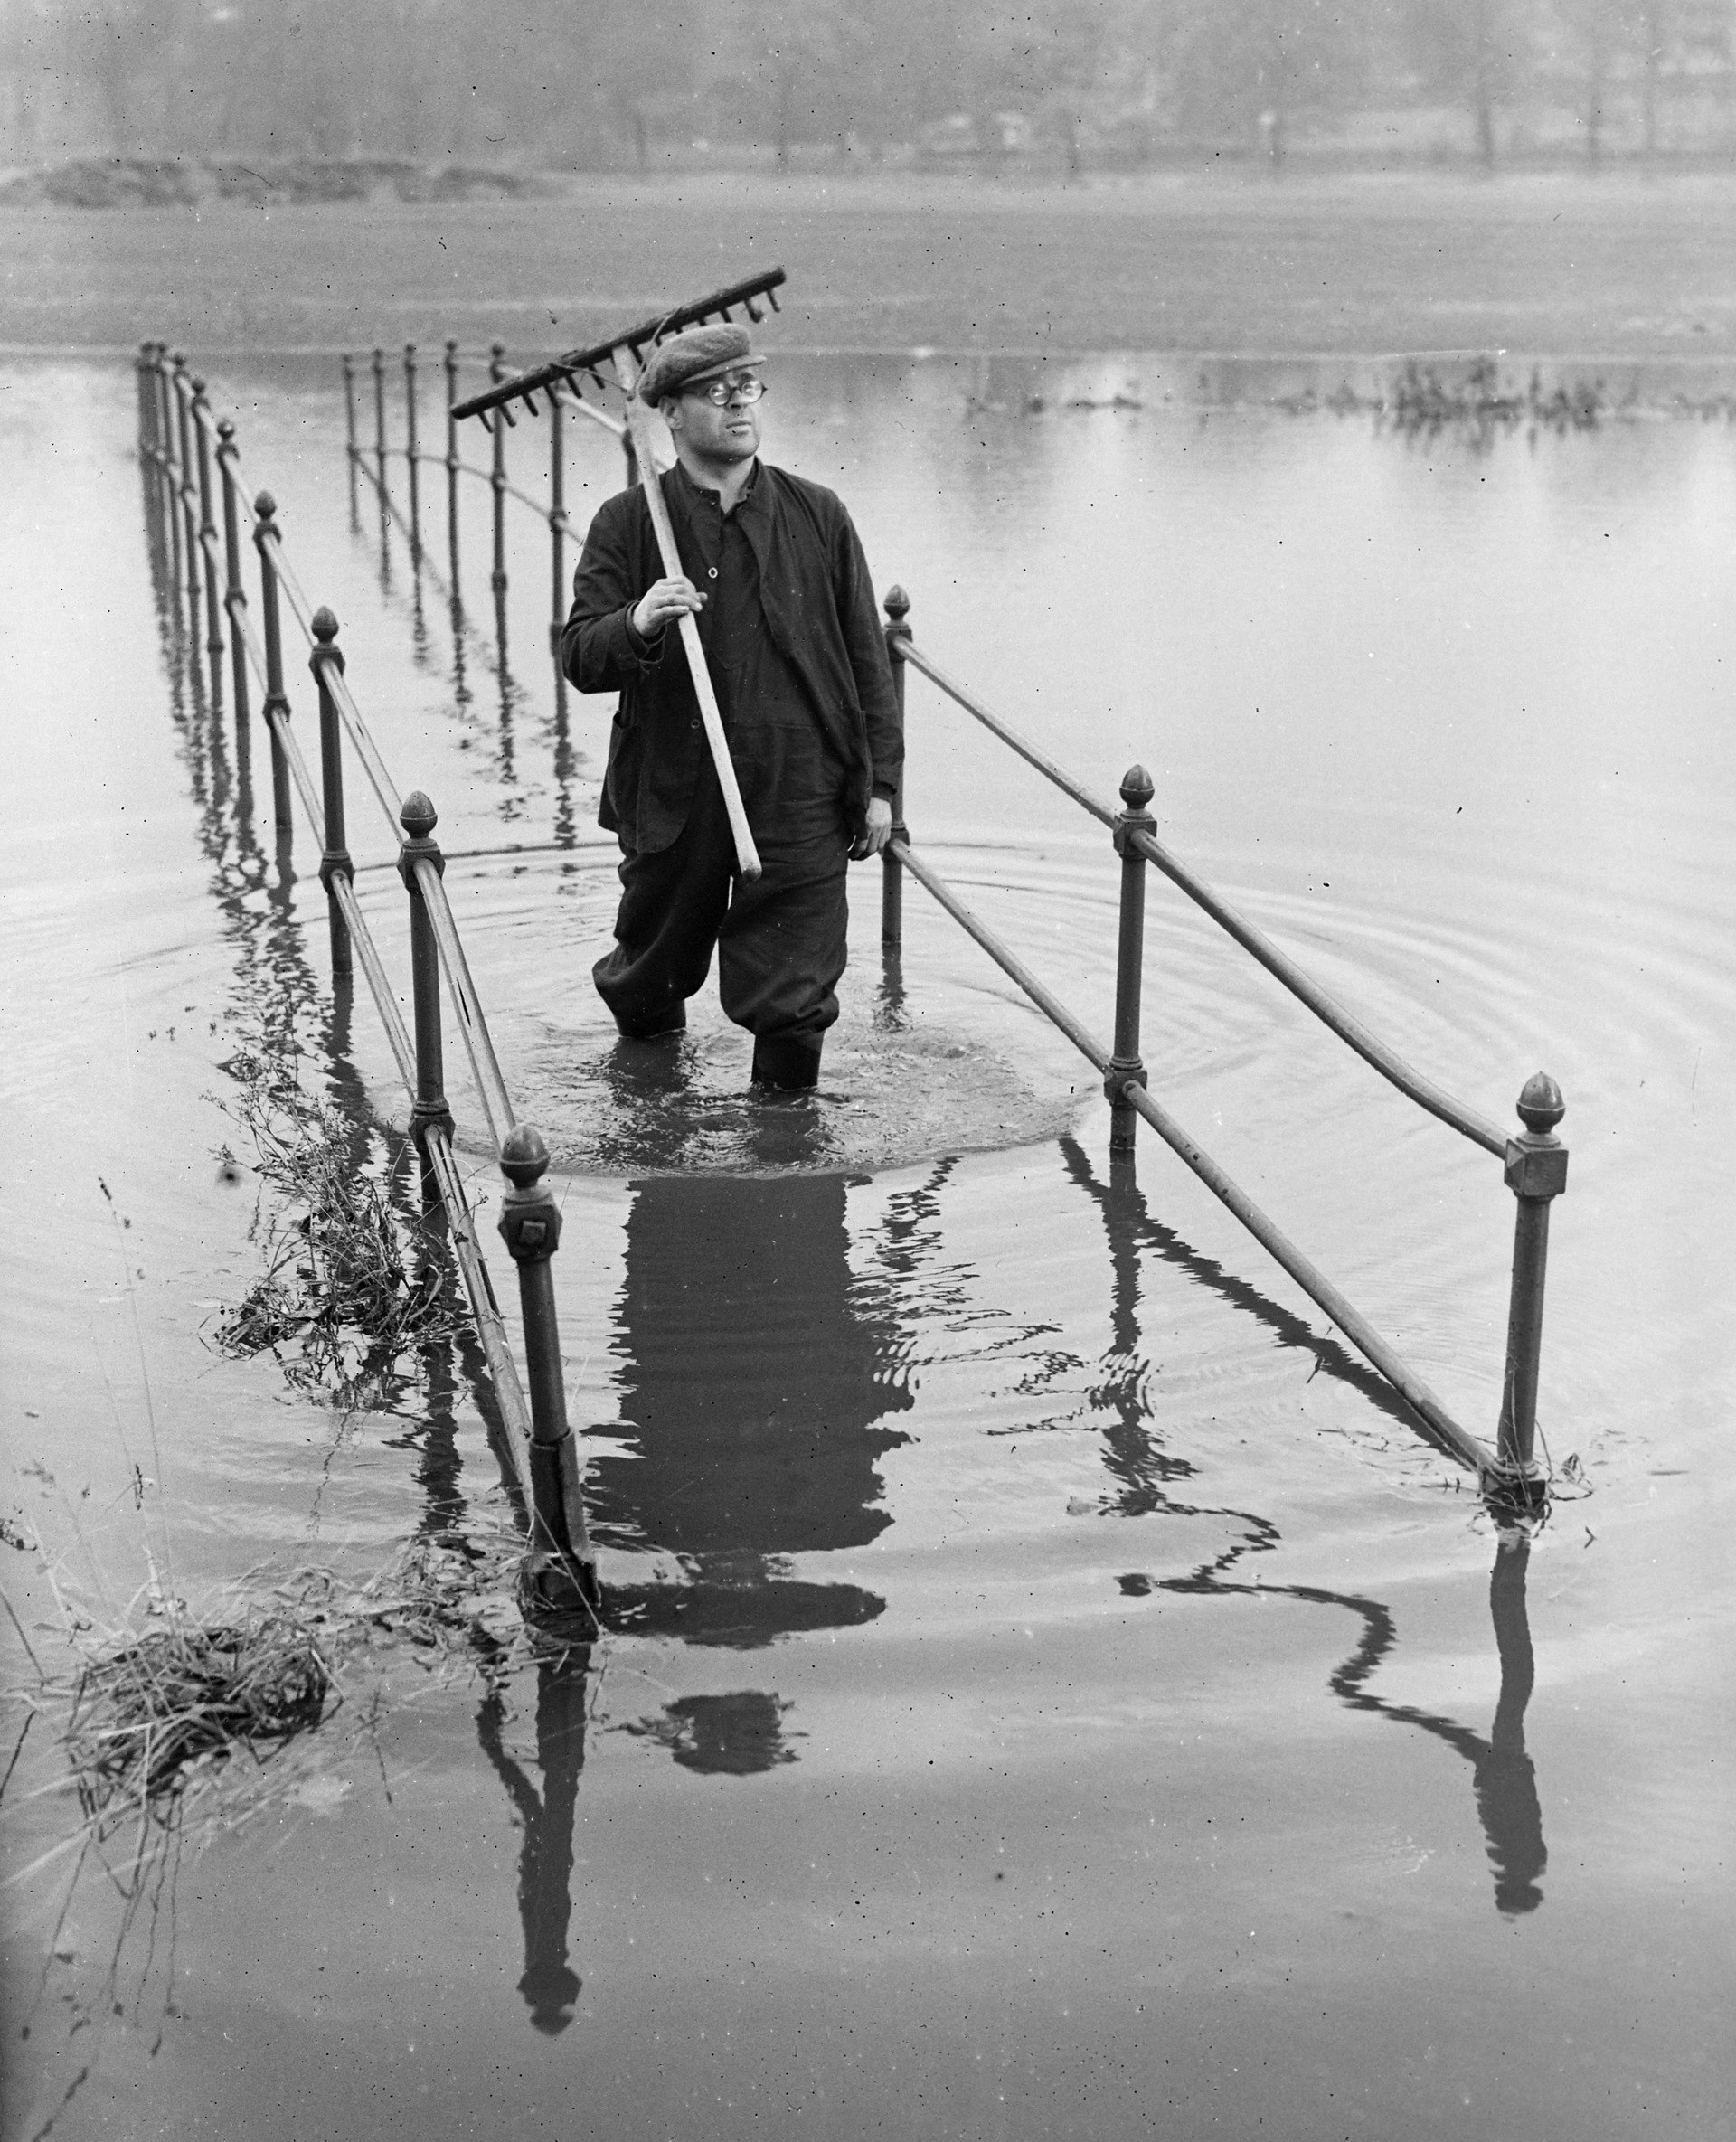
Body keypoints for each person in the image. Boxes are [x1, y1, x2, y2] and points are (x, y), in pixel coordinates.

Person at [560, 323, 901, 1091]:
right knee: (650, 974)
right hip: (676, 793)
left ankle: (784, 1147)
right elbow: (579, 656)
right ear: (671, 414)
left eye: (747, 386)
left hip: (798, 790)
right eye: (715, 392)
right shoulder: (628, 522)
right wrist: (638, 620)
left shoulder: (819, 515)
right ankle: (651, 1123)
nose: (738, 404)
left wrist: (880, 788)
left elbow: (866, 662)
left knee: (795, 994)